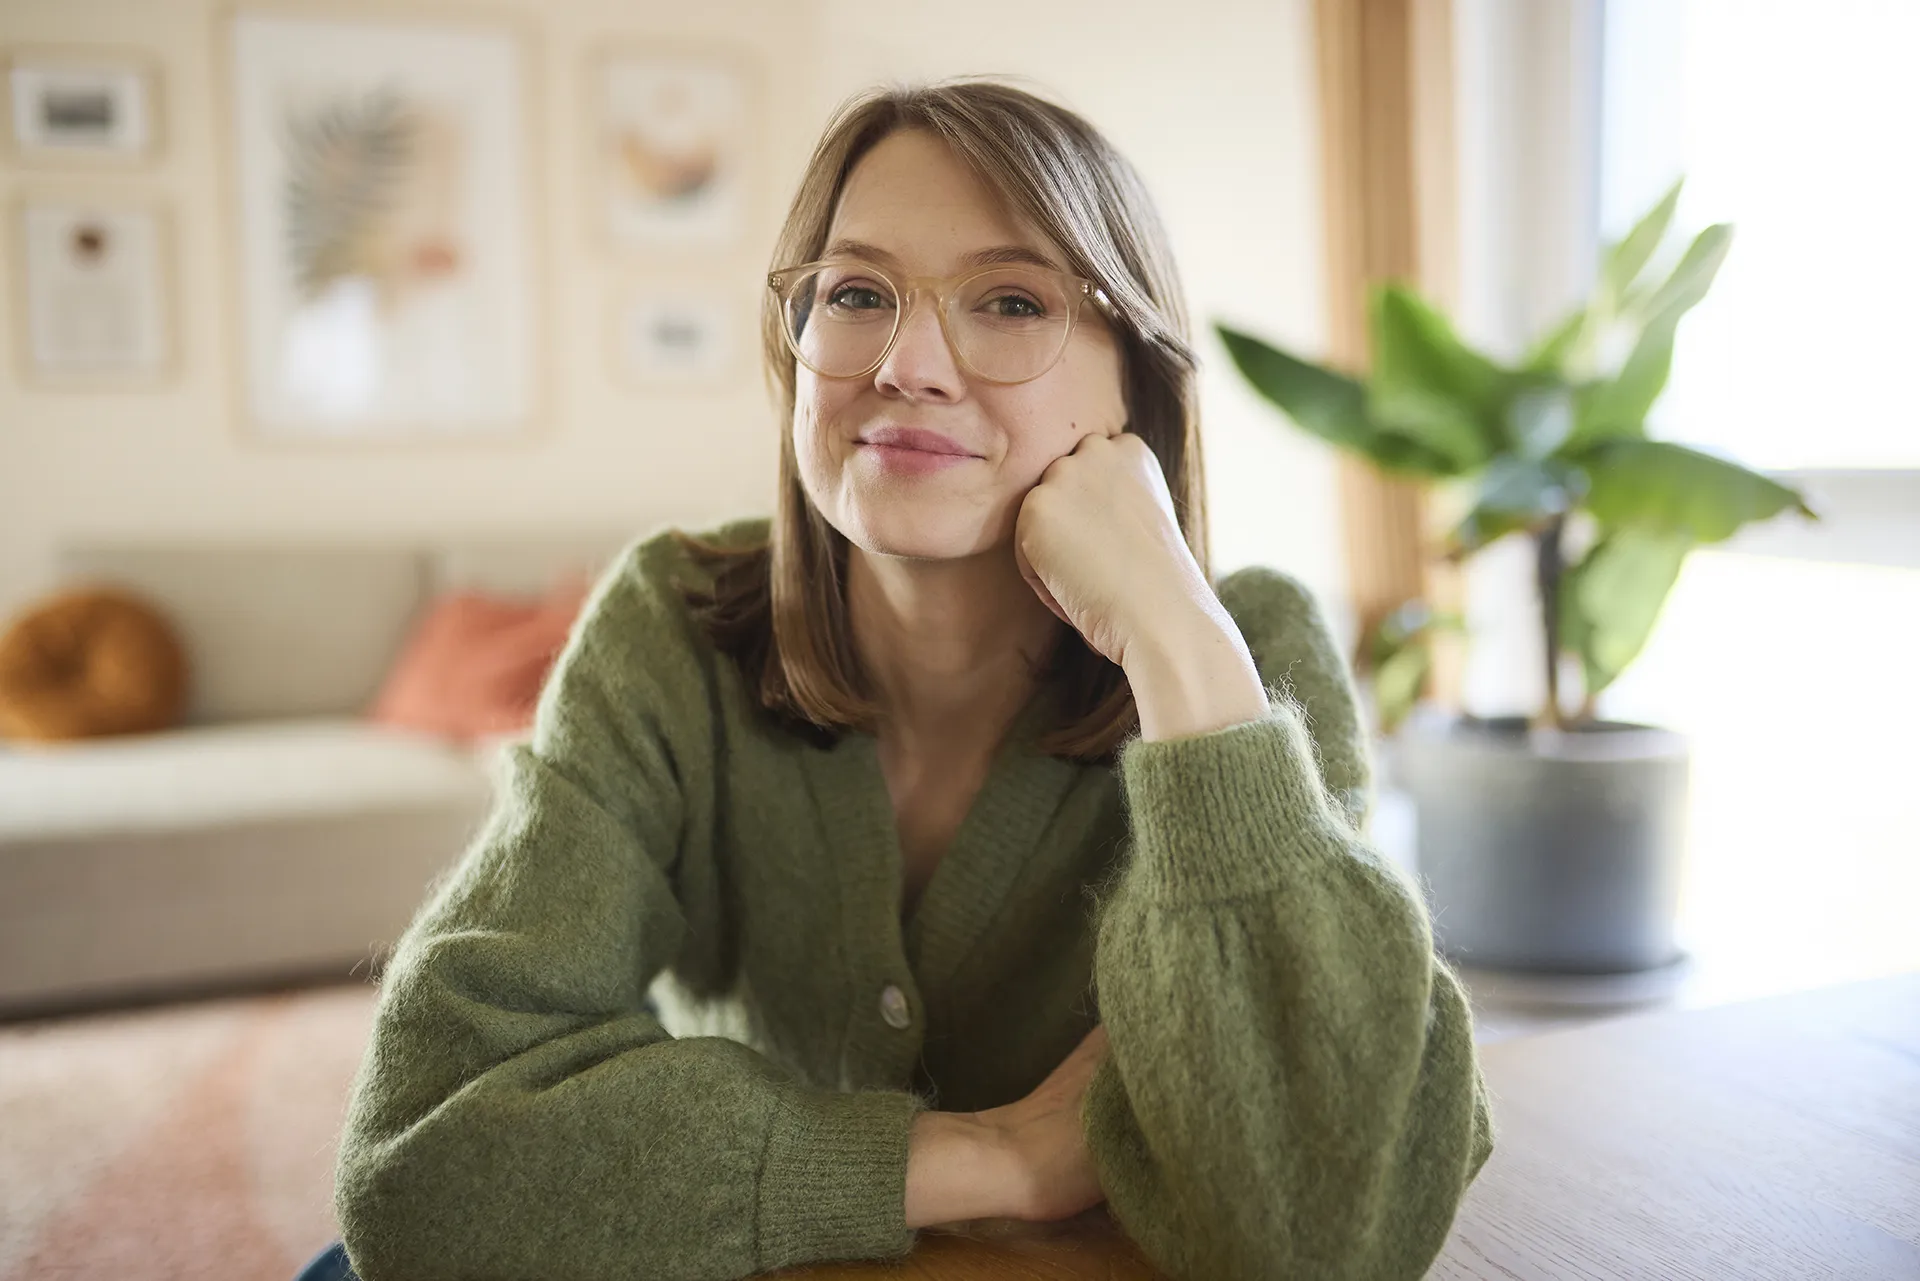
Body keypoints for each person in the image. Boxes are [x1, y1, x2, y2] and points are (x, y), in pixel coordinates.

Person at [321, 79, 1494, 1281]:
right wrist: (1000, 1159)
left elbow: (1330, 1231)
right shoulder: (669, 628)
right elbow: (420, 1160)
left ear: (1136, 385)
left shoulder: (1244, 651)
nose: (908, 363)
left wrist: (1183, 652)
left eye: (1010, 301)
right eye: (859, 294)